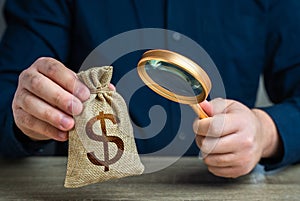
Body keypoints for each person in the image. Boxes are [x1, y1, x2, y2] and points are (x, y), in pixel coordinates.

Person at [0, 0, 299, 179]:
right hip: (96, 189)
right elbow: (9, 93)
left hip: (224, 187)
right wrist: (27, 116)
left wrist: (265, 132)